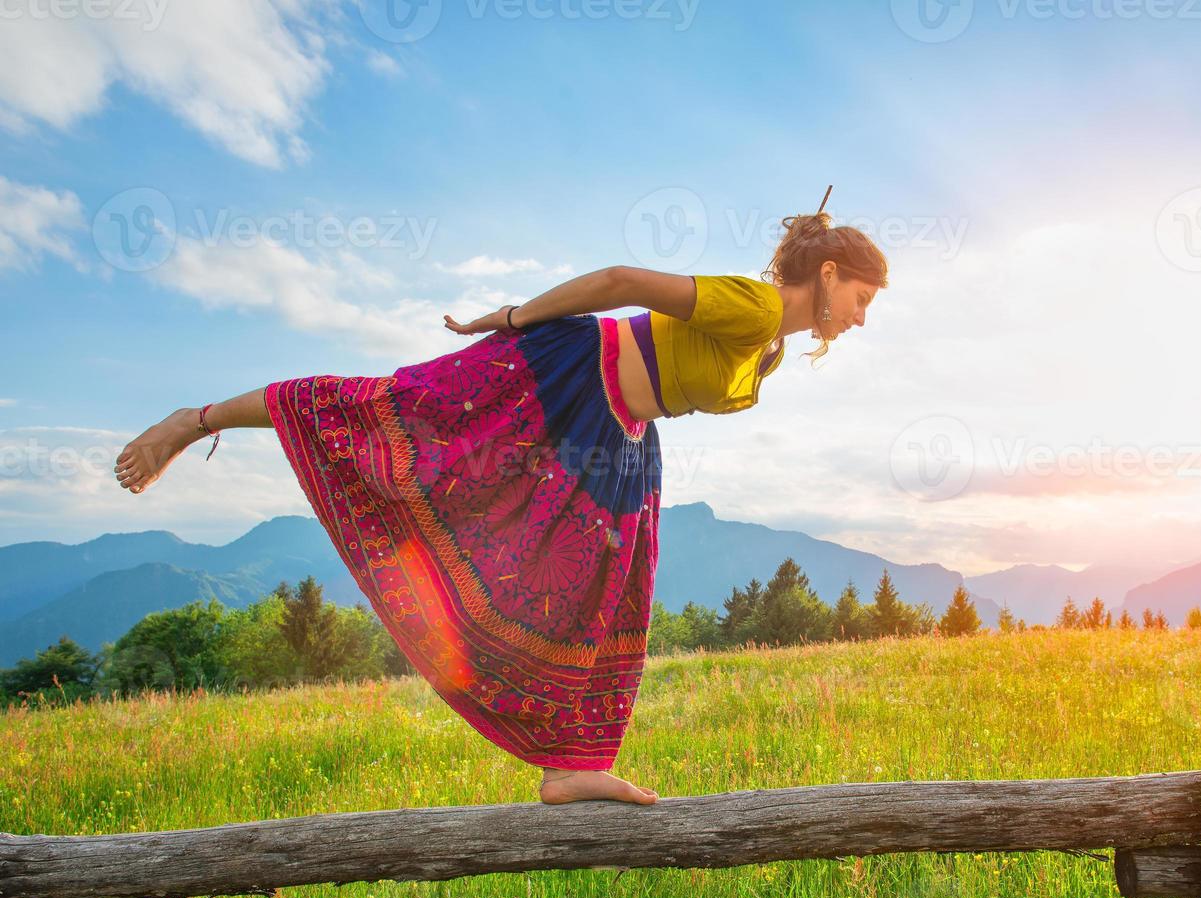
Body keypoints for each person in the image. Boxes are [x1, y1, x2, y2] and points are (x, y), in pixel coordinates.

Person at [111, 193, 888, 806]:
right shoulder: (751, 307)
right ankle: (195, 419)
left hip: (620, 434)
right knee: (386, 412)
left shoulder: (773, 350)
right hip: (566, 377)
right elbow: (619, 283)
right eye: (861, 296)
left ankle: (571, 764)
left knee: (603, 591)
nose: (861, 316)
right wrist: (511, 318)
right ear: (826, 274)